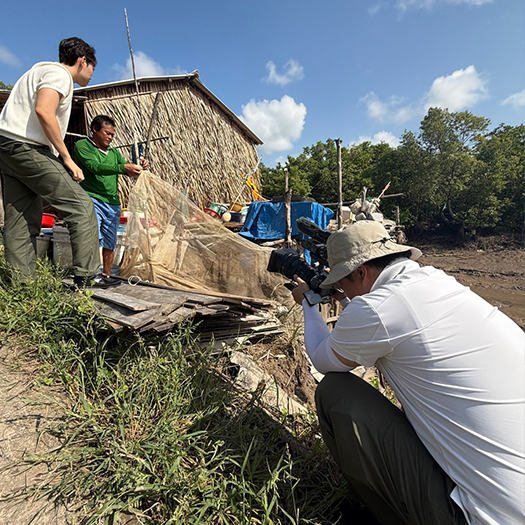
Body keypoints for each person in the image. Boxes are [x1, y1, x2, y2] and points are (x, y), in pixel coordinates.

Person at [291, 220, 525, 525]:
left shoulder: (378, 309)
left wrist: (309, 303)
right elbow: (385, 322)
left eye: (341, 282)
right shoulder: (437, 282)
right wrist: (351, 299)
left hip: (482, 517)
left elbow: (323, 359)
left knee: (335, 393)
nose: (338, 289)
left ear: (360, 272)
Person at [0, 37, 118, 288]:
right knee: (82, 208)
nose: (91, 74)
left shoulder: (36, 71)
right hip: (28, 148)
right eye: (92, 68)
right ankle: (87, 277)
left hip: (7, 148)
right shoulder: (60, 74)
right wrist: (66, 158)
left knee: (20, 219)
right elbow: (44, 110)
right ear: (82, 61)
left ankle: (21, 286)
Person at [73, 115, 148, 277]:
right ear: (95, 130)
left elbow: (124, 169)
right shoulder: (83, 145)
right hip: (92, 197)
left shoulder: (113, 152)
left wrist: (138, 167)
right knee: (92, 237)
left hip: (113, 203)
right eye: (107, 133)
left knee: (110, 241)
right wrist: (124, 168)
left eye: (113, 135)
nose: (111, 138)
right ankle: (89, 274)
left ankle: (106, 274)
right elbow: (95, 167)